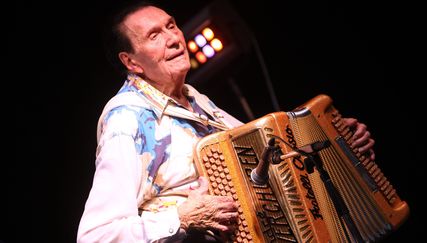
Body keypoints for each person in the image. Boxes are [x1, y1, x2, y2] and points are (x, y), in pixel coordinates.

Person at [77, 1, 376, 242]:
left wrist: (334, 144)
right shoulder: (127, 118)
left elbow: (269, 159)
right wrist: (180, 219)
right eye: (154, 36)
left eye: (171, 25)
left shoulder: (196, 100)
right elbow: (96, 236)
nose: (173, 38)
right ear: (131, 62)